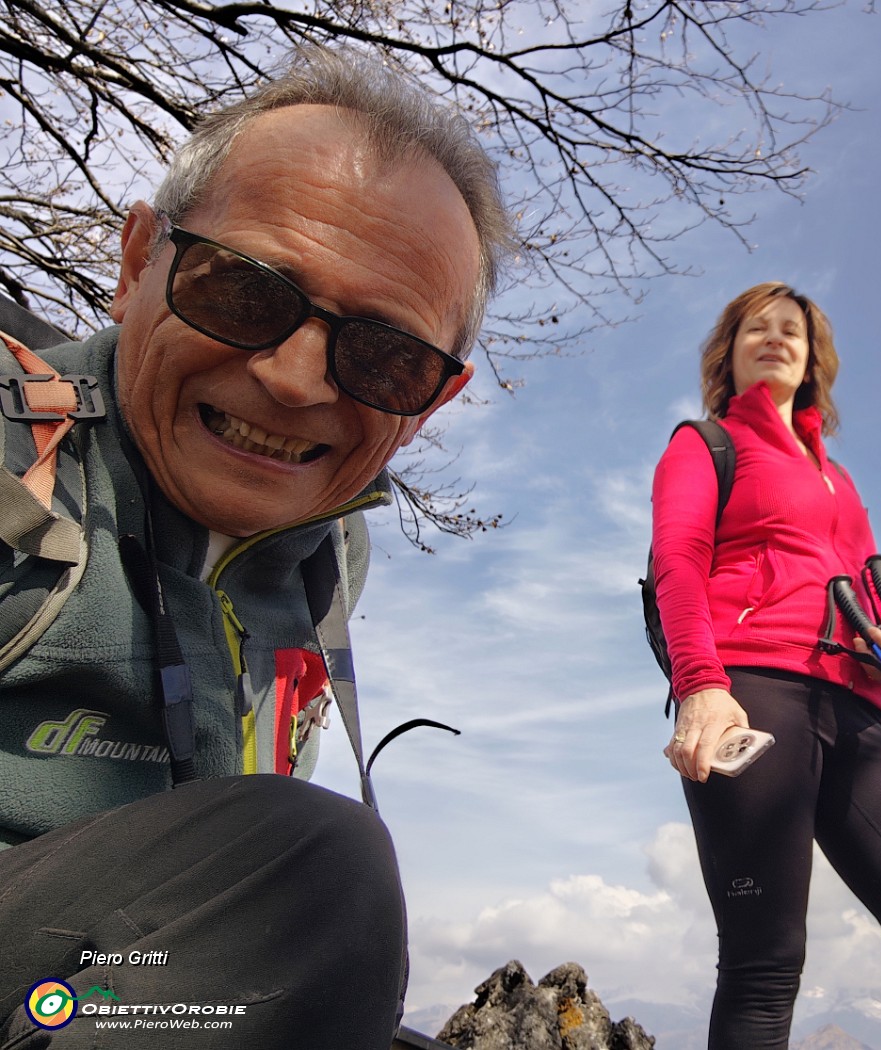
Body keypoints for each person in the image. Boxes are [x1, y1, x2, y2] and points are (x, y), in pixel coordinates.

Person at [0, 46, 511, 1047]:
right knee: (312, 866)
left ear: (432, 399)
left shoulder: (326, 560)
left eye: (384, 355)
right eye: (243, 291)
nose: (292, 378)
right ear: (135, 261)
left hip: (121, 982)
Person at [650, 282, 881, 1048]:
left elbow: (865, 582)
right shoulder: (706, 444)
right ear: (728, 351)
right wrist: (700, 686)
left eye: (792, 332)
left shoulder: (840, 481)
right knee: (764, 964)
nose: (775, 338)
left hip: (857, 707)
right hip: (754, 694)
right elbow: (677, 559)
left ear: (812, 360)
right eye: (756, 328)